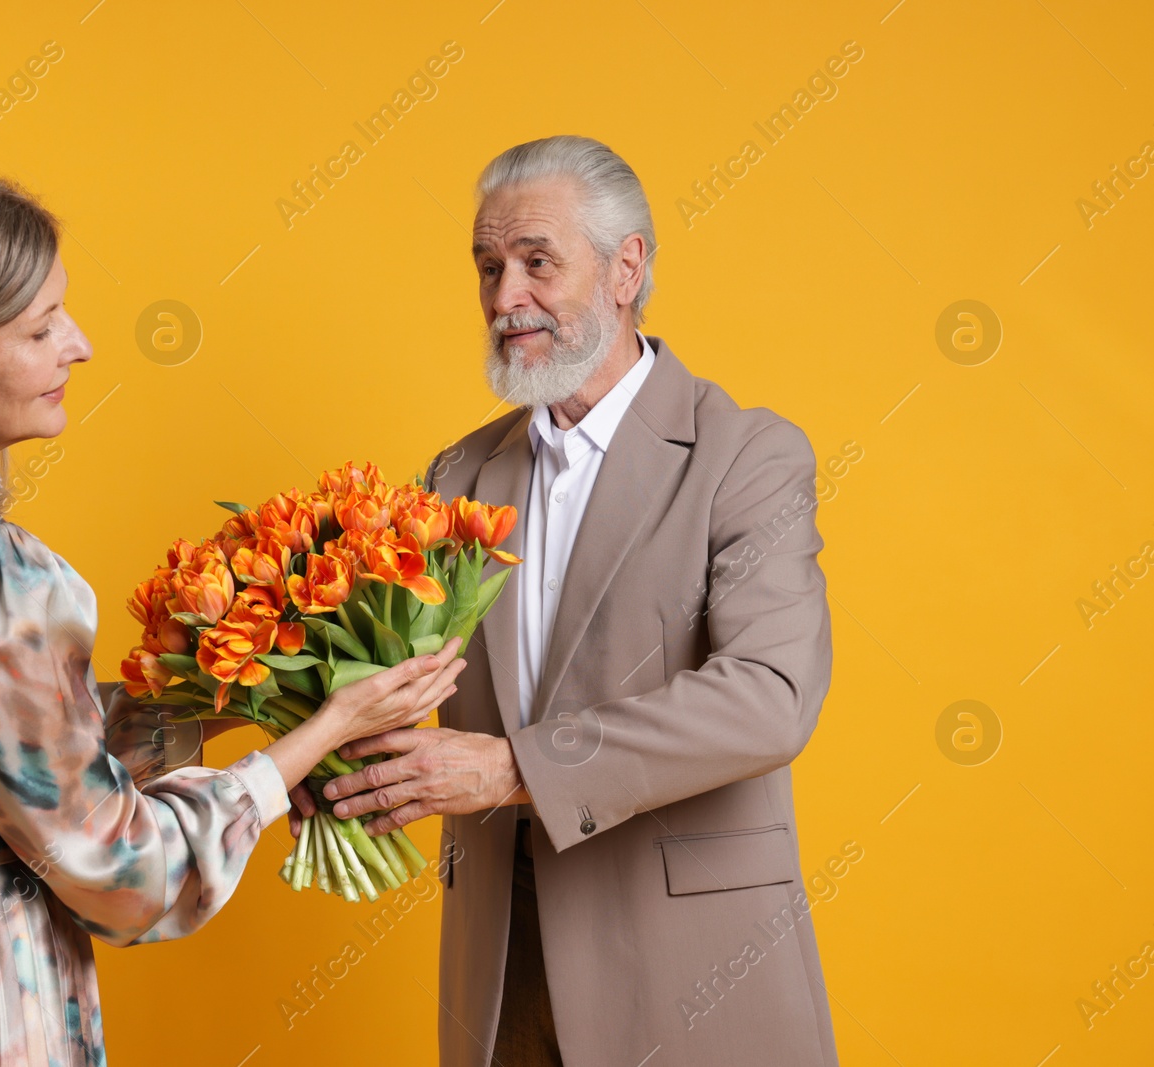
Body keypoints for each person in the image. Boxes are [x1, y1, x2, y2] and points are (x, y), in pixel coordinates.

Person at [0, 167, 466, 1067]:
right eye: (39, 327)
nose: (81, 344)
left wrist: (226, 702)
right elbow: (127, 876)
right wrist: (318, 733)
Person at [303, 136, 839, 1065]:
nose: (506, 296)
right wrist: (312, 745)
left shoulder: (748, 456)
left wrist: (516, 769)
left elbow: (768, 697)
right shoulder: (459, 471)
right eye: (488, 266)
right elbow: (409, 677)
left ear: (627, 266)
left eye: (537, 262)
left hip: (691, 973)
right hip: (499, 970)